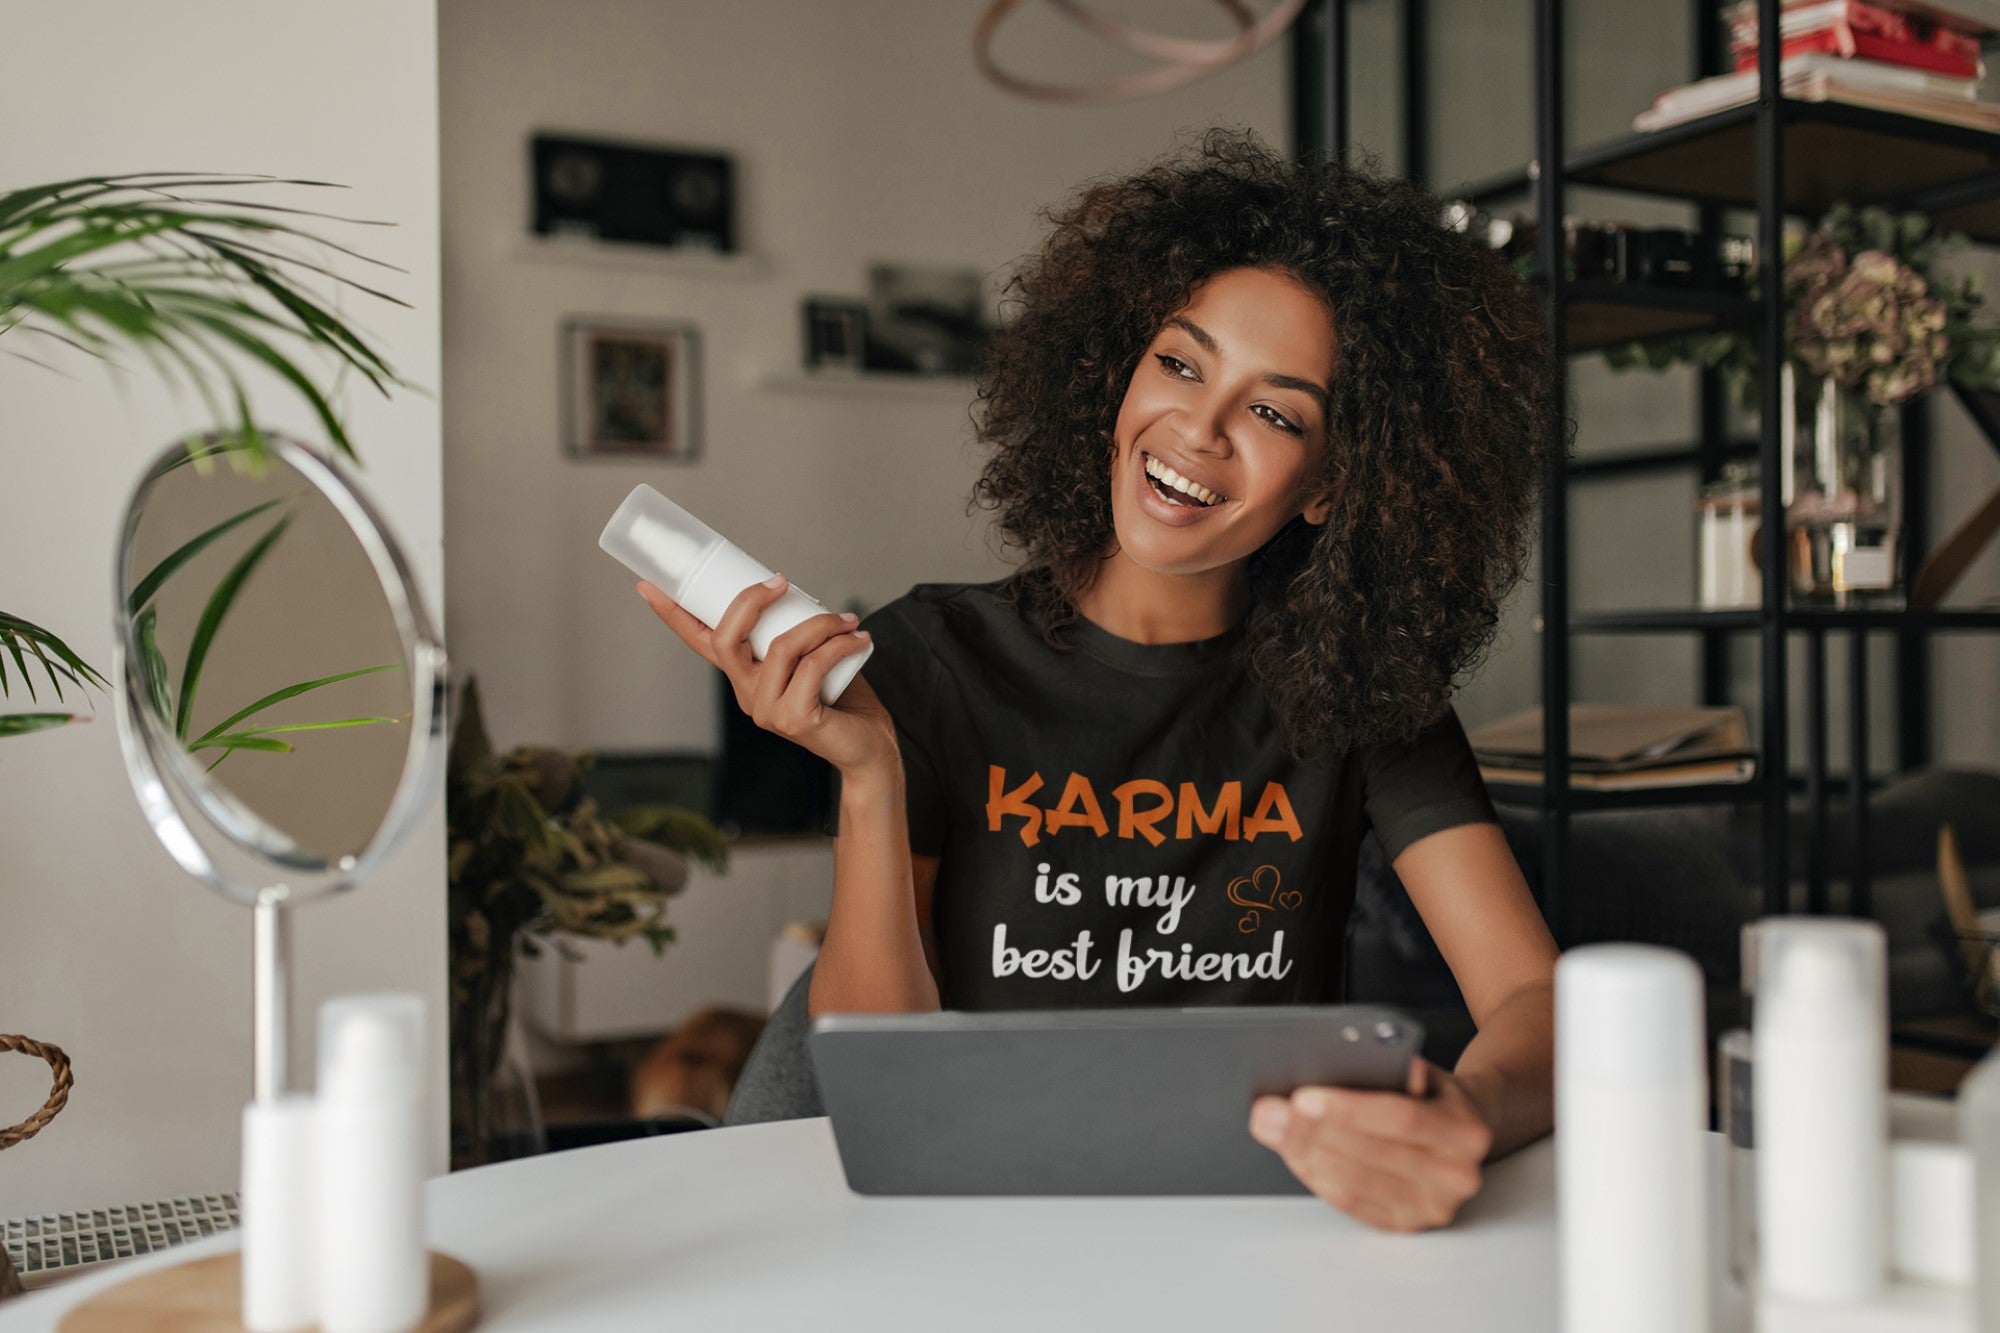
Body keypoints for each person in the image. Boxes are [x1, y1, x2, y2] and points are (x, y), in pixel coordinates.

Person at [638, 129, 1560, 1233]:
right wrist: (870, 776)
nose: (1197, 429)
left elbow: (1535, 999)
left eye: (1274, 412)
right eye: (1178, 362)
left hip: (1240, 1223)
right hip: (973, 1219)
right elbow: (873, 1077)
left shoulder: (1366, 693)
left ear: (1330, 487)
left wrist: (1466, 1106)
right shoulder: (932, 657)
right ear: (1115, 373)